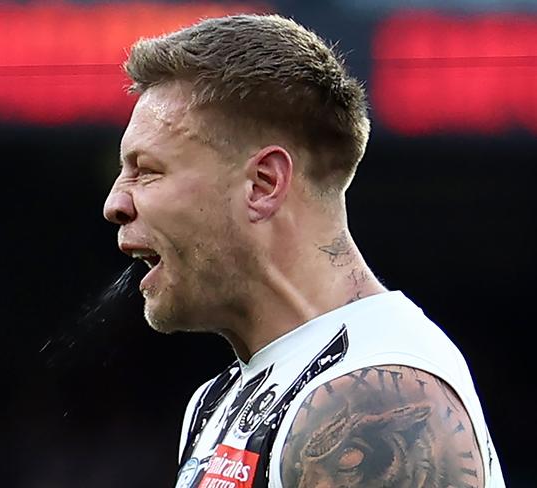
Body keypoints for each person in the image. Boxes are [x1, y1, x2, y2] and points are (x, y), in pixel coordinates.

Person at [103, 14, 505, 488]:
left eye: (147, 170)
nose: (115, 203)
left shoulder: (372, 399)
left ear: (263, 184)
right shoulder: (219, 399)